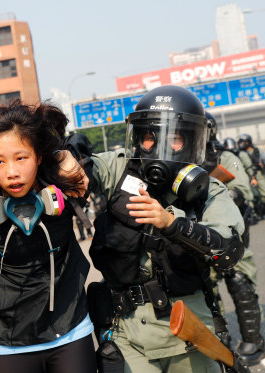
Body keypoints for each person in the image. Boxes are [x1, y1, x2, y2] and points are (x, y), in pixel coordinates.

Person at [74, 85, 245, 373]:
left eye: (174, 139)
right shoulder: (119, 170)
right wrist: (69, 158)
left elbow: (228, 251)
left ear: (192, 142)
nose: (159, 148)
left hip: (187, 332)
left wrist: (172, 224)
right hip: (126, 333)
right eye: (149, 138)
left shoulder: (209, 190)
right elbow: (81, 169)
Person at [0, 101, 96, 373]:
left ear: (38, 156)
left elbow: (113, 167)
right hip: (9, 343)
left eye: (21, 158)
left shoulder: (67, 184)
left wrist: (65, 155)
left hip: (70, 331)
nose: (12, 172)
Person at [202, 112, 264, 366]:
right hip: (195, 236)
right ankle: (220, 345)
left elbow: (243, 193)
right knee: (206, 291)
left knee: (240, 282)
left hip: (228, 234)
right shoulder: (181, 159)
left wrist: (215, 192)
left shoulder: (225, 157)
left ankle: (253, 341)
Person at [237, 134, 265, 218]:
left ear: (248, 142)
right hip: (248, 177)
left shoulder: (257, 151)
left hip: (258, 175)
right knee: (252, 196)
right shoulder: (241, 153)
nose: (240, 144)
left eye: (242, 142)